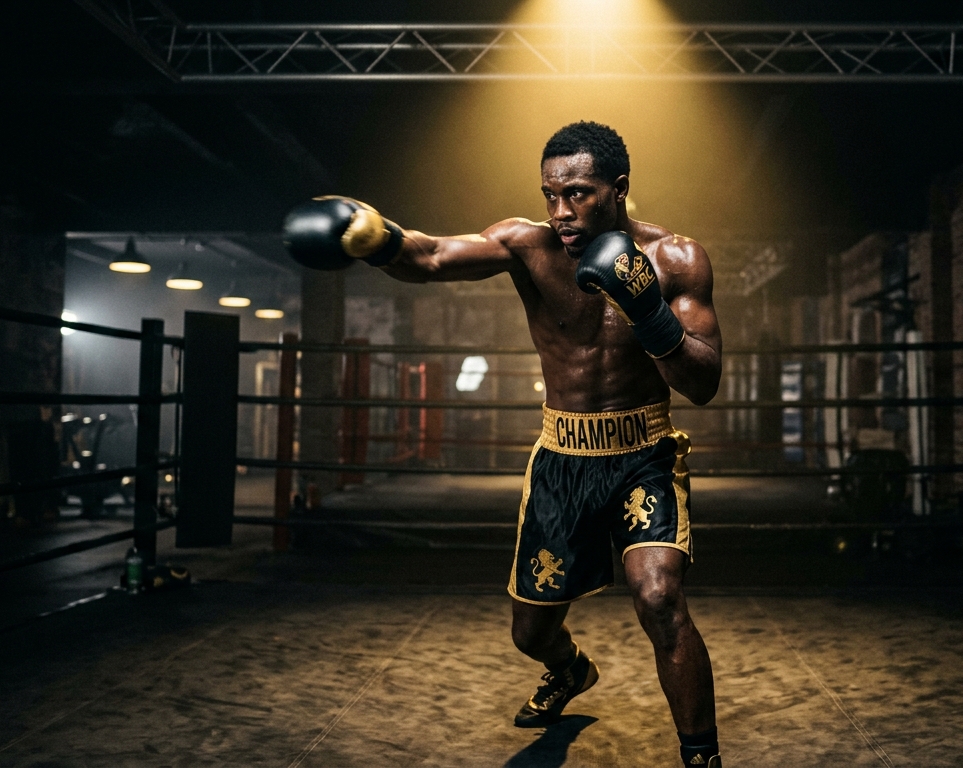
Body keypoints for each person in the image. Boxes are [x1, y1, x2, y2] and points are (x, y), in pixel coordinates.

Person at [283, 121, 724, 768]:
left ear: (618, 190)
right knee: (530, 631)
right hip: (562, 460)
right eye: (550, 194)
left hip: (644, 454)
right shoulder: (529, 246)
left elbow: (703, 383)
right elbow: (430, 256)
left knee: (659, 597)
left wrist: (647, 309)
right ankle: (568, 669)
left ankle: (702, 758)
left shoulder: (678, 260)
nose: (561, 211)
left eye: (577, 193)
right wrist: (377, 239)